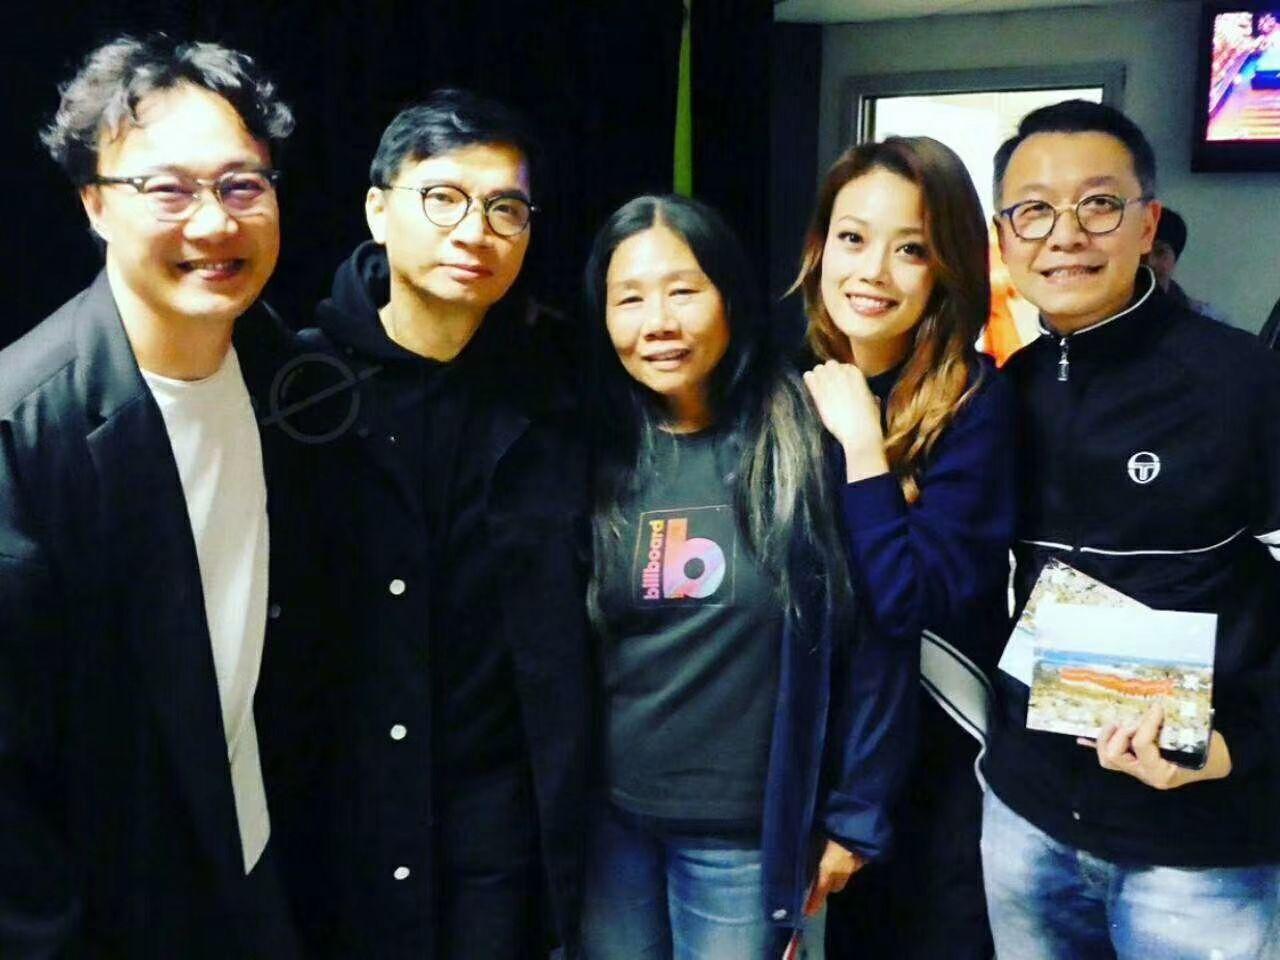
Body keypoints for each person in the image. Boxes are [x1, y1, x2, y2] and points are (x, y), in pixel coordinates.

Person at [0, 35, 309, 957]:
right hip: (110, 907)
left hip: (262, 874)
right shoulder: (23, 429)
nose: (214, 224)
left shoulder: (286, 374)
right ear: (95, 202)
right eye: (168, 190)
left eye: (242, 185)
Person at [287, 89, 590, 959]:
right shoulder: (296, 388)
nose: (475, 232)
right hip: (332, 811)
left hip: (493, 825)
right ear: (378, 211)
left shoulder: (558, 392)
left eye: (505, 209)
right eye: (444, 198)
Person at [579, 193, 917, 959]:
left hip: (745, 840)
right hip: (611, 825)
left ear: (729, 295)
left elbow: (879, 640)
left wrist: (856, 816)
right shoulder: (589, 448)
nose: (657, 322)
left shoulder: (806, 433)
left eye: (683, 291)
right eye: (628, 299)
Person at [985, 98, 1280, 959]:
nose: (1065, 234)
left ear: (1148, 224)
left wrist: (1237, 745)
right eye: (1033, 210)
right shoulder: (1004, 391)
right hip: (1028, 818)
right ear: (1005, 238)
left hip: (1201, 843)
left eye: (1099, 204)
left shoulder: (1245, 384)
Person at [792, 137, 1016, 960]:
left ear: (947, 266)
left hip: (939, 760)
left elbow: (908, 598)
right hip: (829, 749)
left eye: (911, 249)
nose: (873, 272)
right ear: (821, 248)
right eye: (853, 238)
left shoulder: (977, 401)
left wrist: (862, 447)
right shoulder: (796, 385)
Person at [1144, 206, 1229, 323]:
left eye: (1160, 252)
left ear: (1175, 260)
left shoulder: (1206, 320)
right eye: (1140, 252)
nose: (1150, 262)